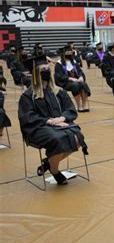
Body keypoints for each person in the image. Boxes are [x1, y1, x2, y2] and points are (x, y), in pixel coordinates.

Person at [18, 55, 88, 185]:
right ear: (36, 74)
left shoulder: (58, 91)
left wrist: (62, 117)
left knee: (78, 137)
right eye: (42, 69)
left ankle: (48, 163)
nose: (47, 71)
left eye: (47, 68)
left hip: (60, 123)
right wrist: (49, 121)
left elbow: (70, 108)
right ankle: (55, 171)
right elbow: (28, 117)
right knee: (58, 139)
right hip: (38, 127)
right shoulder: (28, 96)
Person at [54, 45, 91, 112]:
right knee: (75, 85)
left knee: (83, 84)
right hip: (65, 82)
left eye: (70, 53)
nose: (69, 54)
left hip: (76, 81)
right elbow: (59, 76)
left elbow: (79, 71)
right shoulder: (59, 64)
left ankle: (84, 105)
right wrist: (70, 78)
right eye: (67, 53)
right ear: (63, 54)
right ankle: (79, 106)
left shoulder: (74, 62)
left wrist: (81, 77)